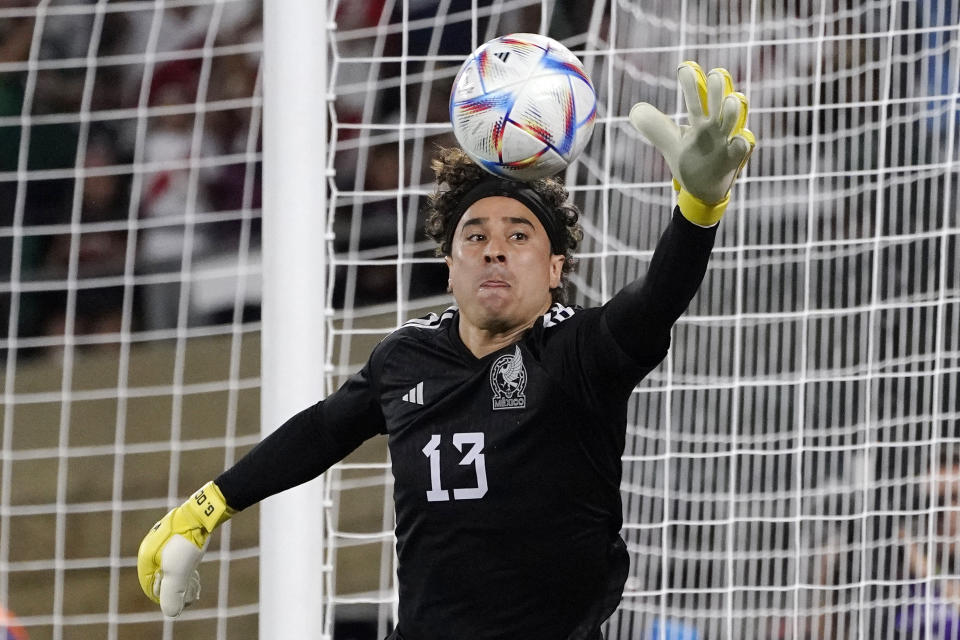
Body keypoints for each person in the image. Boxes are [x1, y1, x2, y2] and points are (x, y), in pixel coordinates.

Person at [137, 61, 755, 639]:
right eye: (475, 235)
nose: (494, 249)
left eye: (520, 235)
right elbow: (322, 432)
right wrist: (206, 507)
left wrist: (698, 212)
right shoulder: (404, 357)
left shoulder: (581, 351)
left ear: (555, 269)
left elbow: (657, 298)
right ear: (450, 267)